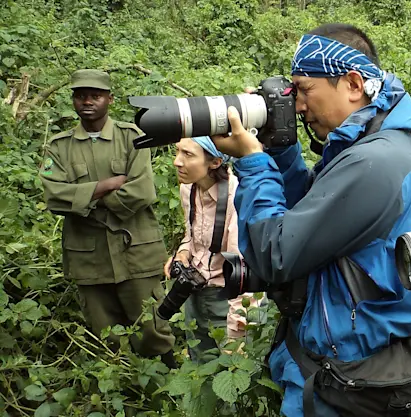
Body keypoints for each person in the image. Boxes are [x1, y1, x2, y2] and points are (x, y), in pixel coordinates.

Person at [211, 24, 411, 416]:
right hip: (342, 364)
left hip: (344, 380)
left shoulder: (372, 162)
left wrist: (251, 163)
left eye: (305, 89)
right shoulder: (381, 142)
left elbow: (276, 253)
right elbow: (314, 214)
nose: (297, 105)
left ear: (351, 83)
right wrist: (280, 151)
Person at [40, 69, 175, 366]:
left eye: (95, 95)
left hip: (136, 250)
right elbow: (53, 196)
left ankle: (168, 394)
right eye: (80, 96)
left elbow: (141, 191)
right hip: (89, 256)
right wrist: (106, 185)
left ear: (110, 100)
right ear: (73, 100)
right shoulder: (58, 147)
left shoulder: (133, 137)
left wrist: (83, 197)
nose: (87, 101)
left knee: (152, 327)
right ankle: (124, 390)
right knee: (106, 334)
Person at [164, 136, 259, 363]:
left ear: (215, 162)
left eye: (188, 154)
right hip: (195, 293)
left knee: (235, 372)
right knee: (199, 365)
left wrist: (238, 334)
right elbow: (192, 236)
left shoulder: (239, 196)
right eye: (177, 151)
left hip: (229, 300)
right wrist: (183, 252)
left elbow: (245, 269)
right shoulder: (188, 188)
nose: (177, 162)